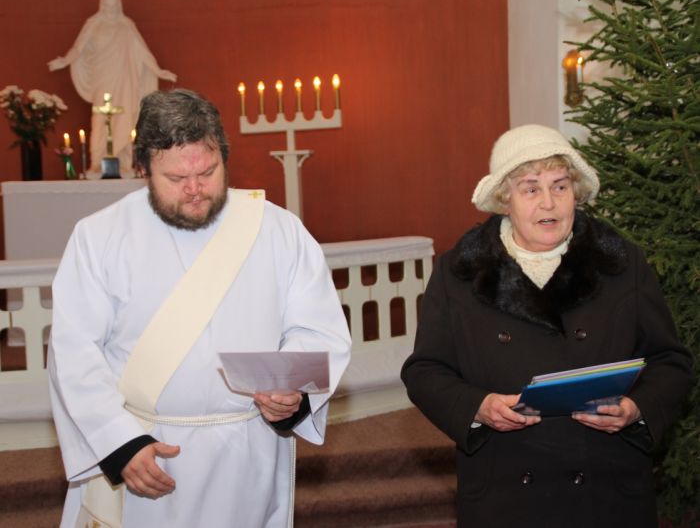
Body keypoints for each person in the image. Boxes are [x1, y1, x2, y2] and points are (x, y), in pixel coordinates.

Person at [48, 88, 351, 528]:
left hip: (247, 453)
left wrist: (293, 392)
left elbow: (319, 330)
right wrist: (119, 443)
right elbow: (74, 351)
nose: (194, 190)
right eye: (176, 178)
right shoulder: (99, 238)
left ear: (224, 157)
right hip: (144, 452)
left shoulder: (278, 230)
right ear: (143, 169)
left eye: (208, 172)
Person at [401, 124, 694, 527]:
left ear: (576, 192)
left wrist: (636, 408)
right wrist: (477, 407)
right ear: (505, 200)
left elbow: (670, 362)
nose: (549, 203)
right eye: (531, 189)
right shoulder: (459, 273)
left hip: (606, 488)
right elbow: (425, 371)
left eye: (560, 186)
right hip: (506, 487)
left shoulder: (623, 264)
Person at [48, 0, 177, 174]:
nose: (110, 10)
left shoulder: (127, 26)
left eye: (113, 6)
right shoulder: (94, 24)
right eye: (107, 6)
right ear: (102, 5)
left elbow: (142, 52)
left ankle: (124, 162)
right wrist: (64, 61)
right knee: (100, 119)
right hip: (103, 79)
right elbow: (79, 48)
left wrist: (158, 71)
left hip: (123, 80)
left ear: (118, 5)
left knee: (124, 118)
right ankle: (97, 162)